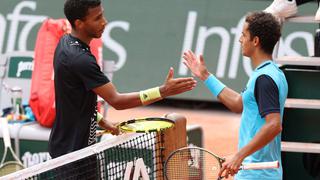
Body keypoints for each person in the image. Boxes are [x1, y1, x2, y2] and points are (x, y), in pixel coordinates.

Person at [48, 0, 197, 159]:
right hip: (73, 157)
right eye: (97, 18)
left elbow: (75, 96)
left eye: (102, 15)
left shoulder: (66, 43)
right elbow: (117, 101)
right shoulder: (80, 59)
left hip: (69, 149)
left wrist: (102, 121)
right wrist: (162, 91)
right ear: (79, 23)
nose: (104, 22)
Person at [183, 11, 288, 179]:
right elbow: (238, 104)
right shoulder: (272, 73)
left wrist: (239, 156)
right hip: (257, 171)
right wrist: (205, 76)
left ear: (255, 41)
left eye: (243, 35)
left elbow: (274, 125)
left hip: (257, 175)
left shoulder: (264, 78)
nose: (240, 39)